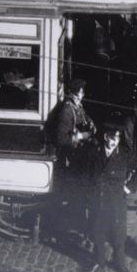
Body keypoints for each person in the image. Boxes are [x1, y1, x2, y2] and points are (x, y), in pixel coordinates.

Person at [86, 125, 137, 272]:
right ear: (106, 137)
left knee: (118, 235)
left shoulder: (125, 155)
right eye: (112, 138)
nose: (115, 142)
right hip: (98, 200)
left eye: (118, 138)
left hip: (116, 201)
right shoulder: (94, 152)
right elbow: (85, 173)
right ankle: (98, 260)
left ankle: (119, 263)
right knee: (98, 231)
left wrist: (129, 188)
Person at [49, 78, 96, 248]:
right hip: (71, 160)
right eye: (80, 92)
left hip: (79, 156)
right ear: (74, 93)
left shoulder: (76, 106)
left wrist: (91, 123)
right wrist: (83, 136)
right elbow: (61, 139)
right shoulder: (66, 110)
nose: (82, 96)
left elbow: (83, 117)